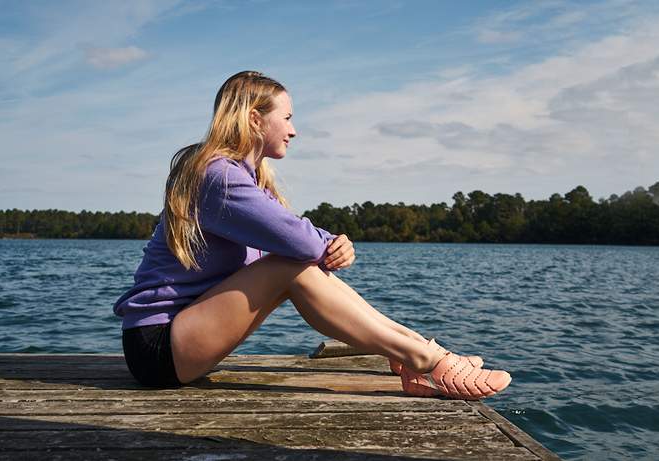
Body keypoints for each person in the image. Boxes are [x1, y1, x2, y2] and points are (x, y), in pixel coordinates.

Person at [113, 70, 511, 400]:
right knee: (290, 266)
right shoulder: (216, 176)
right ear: (254, 118)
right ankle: (426, 361)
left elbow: (296, 237)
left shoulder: (246, 180)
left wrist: (333, 242)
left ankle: (419, 352)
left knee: (294, 264)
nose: (294, 130)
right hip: (158, 347)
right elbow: (300, 244)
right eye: (286, 118)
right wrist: (325, 243)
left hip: (186, 337)